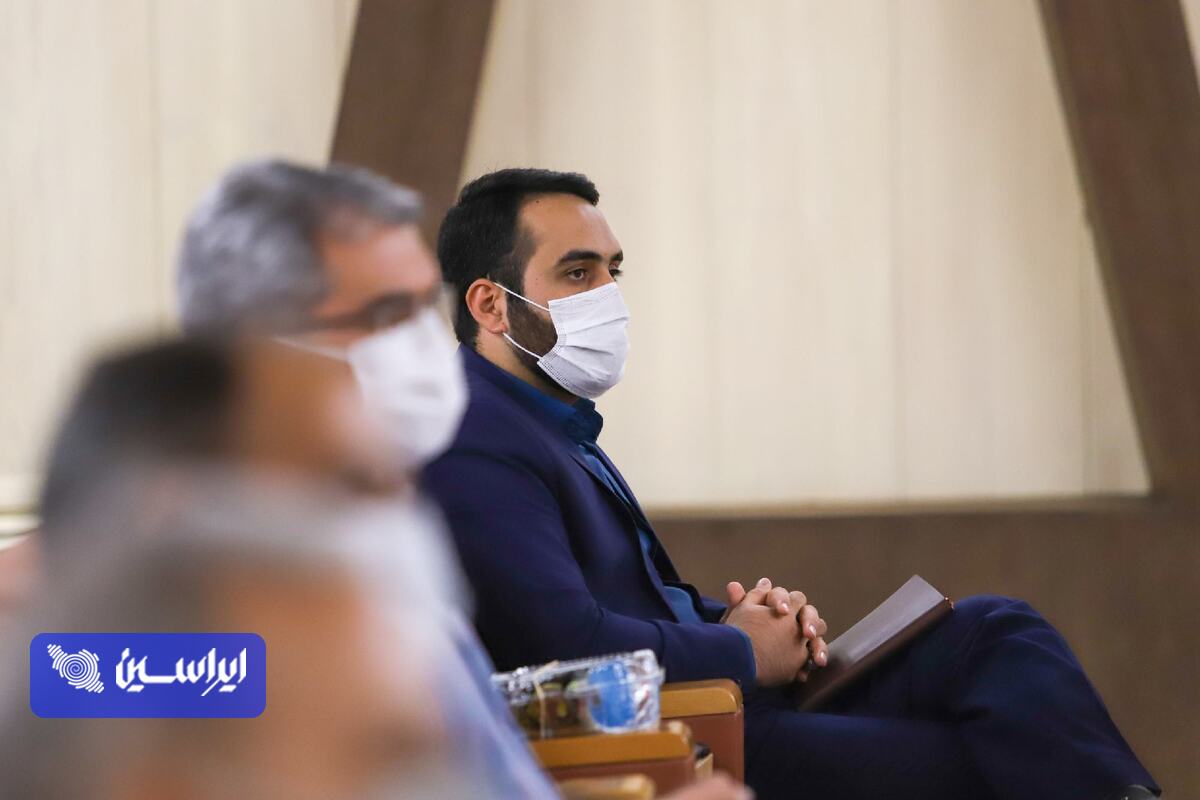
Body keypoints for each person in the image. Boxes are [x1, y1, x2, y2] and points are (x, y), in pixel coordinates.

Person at [423, 167, 1161, 800]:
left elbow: (634, 599)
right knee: (985, 762)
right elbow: (565, 646)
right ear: (491, 304)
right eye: (578, 273)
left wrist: (748, 622)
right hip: (690, 732)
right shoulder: (475, 436)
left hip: (730, 692)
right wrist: (742, 651)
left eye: (614, 271)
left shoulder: (548, 419)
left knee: (994, 632)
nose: (608, 295)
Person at [171, 159, 754, 799]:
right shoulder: (171, 574)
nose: (418, 347)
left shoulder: (381, 548)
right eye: (383, 313)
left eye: (421, 308)